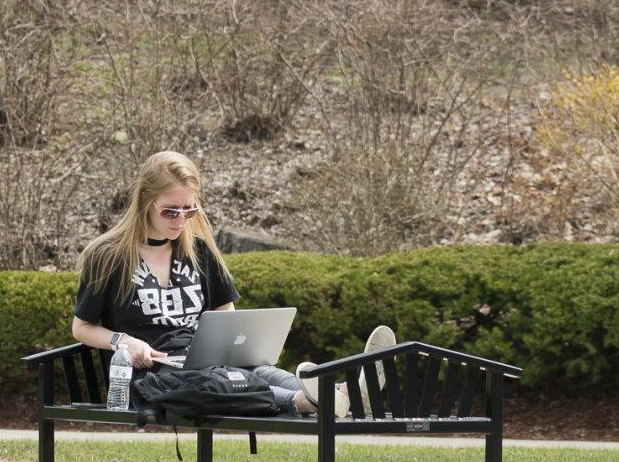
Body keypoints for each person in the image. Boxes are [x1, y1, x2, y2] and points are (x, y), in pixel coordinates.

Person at [71, 151, 391, 415]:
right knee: (209, 382)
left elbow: (227, 314)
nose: (181, 221)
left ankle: (336, 393)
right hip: (155, 375)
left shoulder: (198, 251)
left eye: (189, 210)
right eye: (170, 212)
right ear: (144, 202)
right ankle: (312, 401)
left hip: (208, 364)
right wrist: (123, 342)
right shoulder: (109, 256)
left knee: (255, 371)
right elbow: (81, 327)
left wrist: (228, 344)